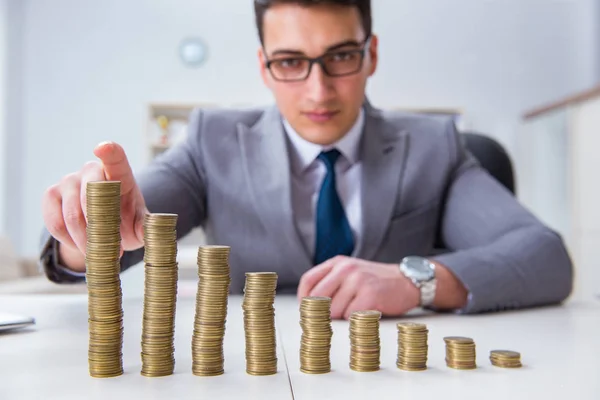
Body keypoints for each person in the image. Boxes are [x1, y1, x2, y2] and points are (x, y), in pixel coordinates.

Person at [38, 0, 573, 319]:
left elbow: (545, 256)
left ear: (372, 56)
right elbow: (111, 242)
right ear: (265, 68)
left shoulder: (436, 145)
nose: (319, 90)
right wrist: (90, 225)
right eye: (291, 61)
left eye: (341, 56)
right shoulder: (212, 141)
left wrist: (416, 280)